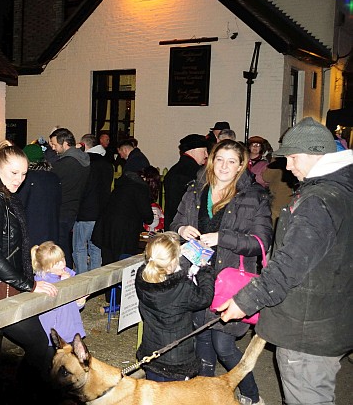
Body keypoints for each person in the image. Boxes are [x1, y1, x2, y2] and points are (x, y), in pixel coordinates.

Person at [218, 117, 353, 405]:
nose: (288, 166)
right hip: (331, 319)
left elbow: (290, 264)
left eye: (292, 157)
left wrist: (245, 300)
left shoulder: (319, 201)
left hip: (308, 328)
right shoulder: (342, 190)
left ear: (316, 153)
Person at [170, 139, 272, 405]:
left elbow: (260, 243)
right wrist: (182, 231)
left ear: (241, 166)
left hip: (228, 283)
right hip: (196, 279)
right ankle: (207, 398)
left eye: (232, 161)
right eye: (220, 159)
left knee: (224, 347)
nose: (224, 166)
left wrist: (222, 238)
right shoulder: (195, 190)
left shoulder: (254, 197)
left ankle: (251, 395)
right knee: (201, 341)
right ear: (211, 160)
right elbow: (175, 223)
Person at [0, 141, 58, 388]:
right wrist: (30, 284)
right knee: (41, 346)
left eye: (24, 173)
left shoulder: (2, 196)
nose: (19, 179)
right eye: (13, 173)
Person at [135, 232, 214, 382]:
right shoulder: (182, 287)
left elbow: (166, 273)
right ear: (172, 263)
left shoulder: (142, 278)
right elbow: (205, 298)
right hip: (176, 357)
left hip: (152, 352)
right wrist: (205, 270)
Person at [49, 127, 90, 266]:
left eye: (54, 145)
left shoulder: (65, 163)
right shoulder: (83, 159)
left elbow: (50, 170)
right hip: (73, 207)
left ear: (65, 143)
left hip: (61, 208)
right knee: (66, 243)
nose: (54, 148)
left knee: (60, 247)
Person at [31, 241, 86, 344]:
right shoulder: (43, 283)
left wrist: (80, 301)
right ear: (46, 267)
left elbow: (71, 305)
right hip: (57, 328)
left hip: (71, 323)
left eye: (63, 259)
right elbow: (54, 306)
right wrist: (65, 284)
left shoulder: (68, 272)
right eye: (57, 263)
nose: (63, 264)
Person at [73, 134, 113, 273]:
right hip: (102, 211)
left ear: (84, 145)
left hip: (85, 211)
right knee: (96, 247)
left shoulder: (84, 163)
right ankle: (95, 278)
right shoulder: (107, 164)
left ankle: (82, 279)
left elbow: (80, 188)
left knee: (79, 247)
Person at [17, 143, 62, 247]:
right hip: (52, 230)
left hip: (31, 231)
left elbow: (20, 205)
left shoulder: (27, 178)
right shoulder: (54, 177)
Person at [163, 134, 209, 229]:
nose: (206, 155)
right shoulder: (195, 172)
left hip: (174, 225)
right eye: (204, 151)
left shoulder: (176, 169)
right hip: (186, 227)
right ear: (192, 151)